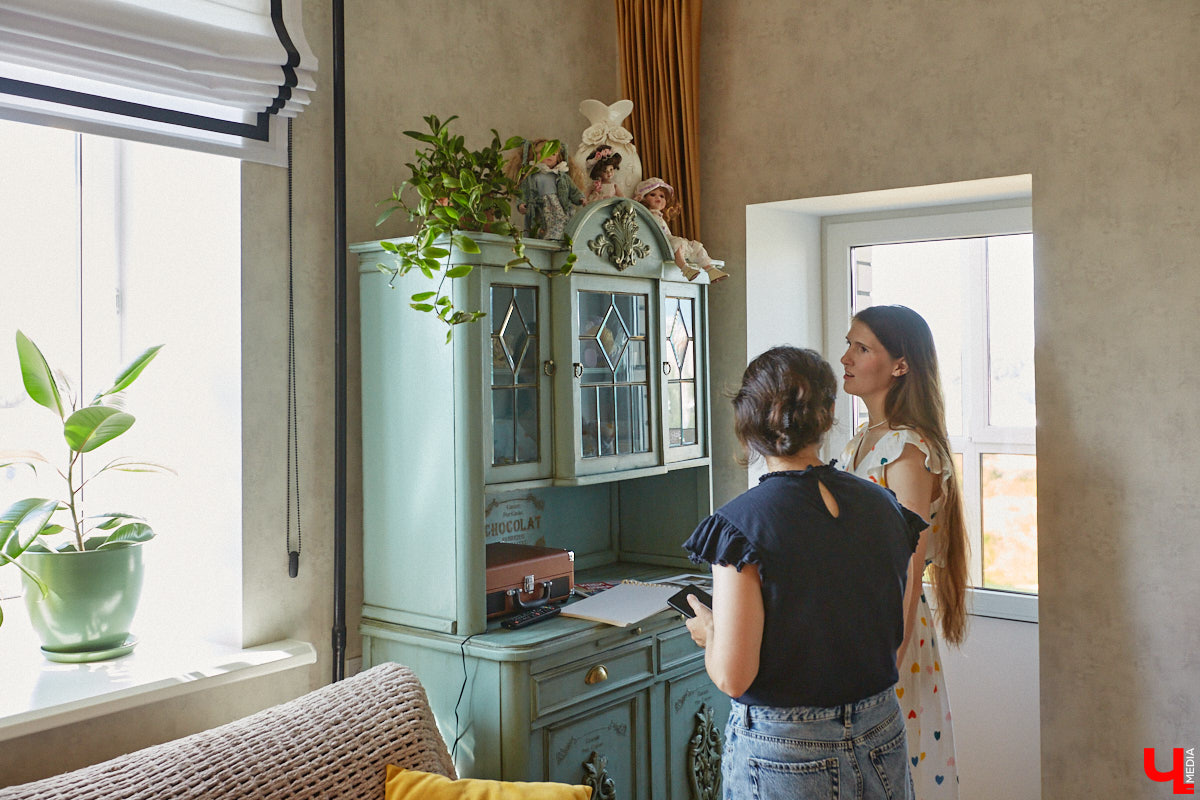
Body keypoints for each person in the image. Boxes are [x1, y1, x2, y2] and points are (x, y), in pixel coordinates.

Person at [684, 346, 925, 800]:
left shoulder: (740, 525)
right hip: (882, 732)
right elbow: (890, 637)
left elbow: (734, 677)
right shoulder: (887, 509)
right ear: (828, 415)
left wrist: (710, 631)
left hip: (786, 751)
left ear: (748, 421)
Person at [838, 304, 969, 799]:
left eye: (861, 348)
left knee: (892, 766)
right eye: (848, 345)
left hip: (889, 628)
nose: (846, 358)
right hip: (860, 624)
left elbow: (909, 564)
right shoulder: (862, 441)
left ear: (900, 365)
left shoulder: (907, 449)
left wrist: (889, 654)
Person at [633, 178, 728, 284]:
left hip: (669, 242)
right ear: (643, 198)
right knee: (678, 242)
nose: (658, 198)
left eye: (662, 196)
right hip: (660, 243)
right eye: (652, 195)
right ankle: (684, 267)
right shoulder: (646, 215)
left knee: (695, 246)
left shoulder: (659, 216)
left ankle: (710, 269)